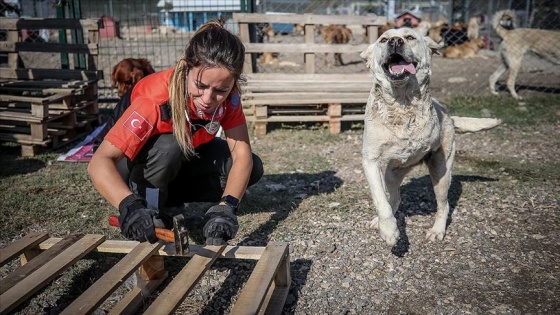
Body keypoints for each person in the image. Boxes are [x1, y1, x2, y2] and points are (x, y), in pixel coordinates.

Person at [87, 18, 263, 246]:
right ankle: (149, 207)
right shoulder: (155, 99)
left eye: (220, 90)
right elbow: (99, 161)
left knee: (253, 167)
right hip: (128, 165)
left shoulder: (229, 98)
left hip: (176, 160)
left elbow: (241, 155)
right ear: (187, 67)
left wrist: (226, 207)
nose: (208, 99)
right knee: (169, 146)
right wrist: (129, 206)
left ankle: (168, 198)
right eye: (200, 86)